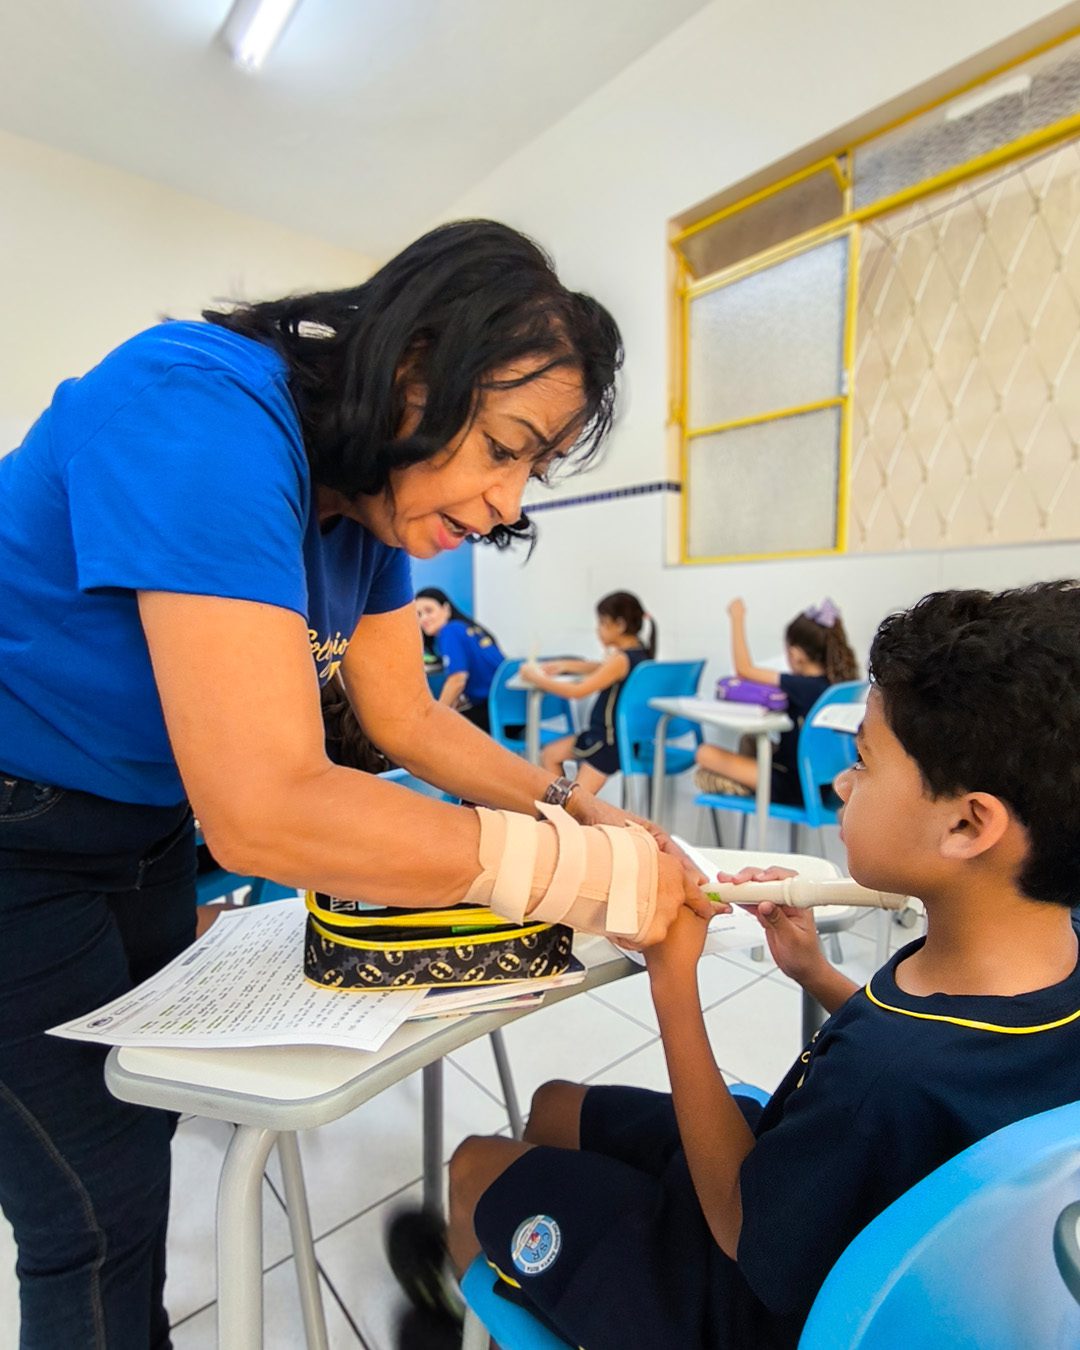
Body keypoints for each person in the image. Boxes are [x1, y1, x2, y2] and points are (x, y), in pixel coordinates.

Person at [0, 219, 710, 1349]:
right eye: (504, 448)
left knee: (138, 1132)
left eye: (531, 472)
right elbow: (266, 806)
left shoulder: (364, 502)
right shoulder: (199, 409)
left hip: (136, 826)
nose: (508, 503)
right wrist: (574, 871)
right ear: (414, 364)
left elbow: (405, 715)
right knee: (89, 1208)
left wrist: (576, 805)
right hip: (18, 828)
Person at [445, 582, 1080, 1349]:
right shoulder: (1046, 958)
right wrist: (814, 970)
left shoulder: (880, 1075)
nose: (842, 782)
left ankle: (471, 1303)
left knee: (473, 1167)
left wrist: (672, 979)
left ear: (968, 824)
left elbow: (739, 1227)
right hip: (853, 1206)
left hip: (750, 1296)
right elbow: (951, 1077)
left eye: (863, 762)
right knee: (553, 1106)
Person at [695, 595, 859, 806]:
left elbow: (744, 670)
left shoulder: (802, 686)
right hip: (821, 786)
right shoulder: (838, 684)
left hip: (795, 786)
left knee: (705, 753)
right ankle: (744, 783)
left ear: (796, 654)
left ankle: (742, 786)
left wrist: (737, 618)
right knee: (749, 741)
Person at [521, 591, 655, 794]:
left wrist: (536, 678)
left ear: (619, 625)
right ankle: (558, 803)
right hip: (620, 739)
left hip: (605, 744)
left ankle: (563, 809)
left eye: (602, 623)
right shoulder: (640, 653)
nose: (597, 629)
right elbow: (601, 668)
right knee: (550, 755)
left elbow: (577, 692)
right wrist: (565, 665)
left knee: (576, 801)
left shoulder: (620, 659)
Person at [415, 587, 505, 731]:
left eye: (429, 611)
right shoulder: (468, 629)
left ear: (446, 609)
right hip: (509, 709)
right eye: (418, 614)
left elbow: (457, 680)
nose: (423, 618)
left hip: (492, 712)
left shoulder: (450, 631)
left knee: (429, 731)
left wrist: (435, 716)